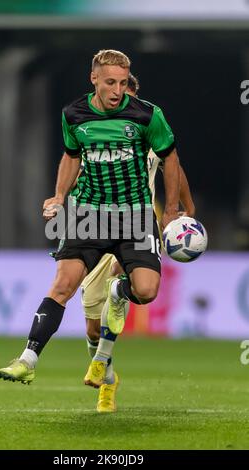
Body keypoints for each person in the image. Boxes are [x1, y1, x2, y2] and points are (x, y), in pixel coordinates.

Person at [0, 50, 181, 405]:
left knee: (146, 291)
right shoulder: (74, 114)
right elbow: (71, 156)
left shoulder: (146, 115)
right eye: (110, 82)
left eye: (123, 83)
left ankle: (119, 294)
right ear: (94, 79)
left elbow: (170, 157)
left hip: (134, 217)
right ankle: (28, 358)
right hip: (89, 215)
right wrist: (58, 196)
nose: (117, 91)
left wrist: (172, 210)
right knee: (63, 285)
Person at [80, 73, 195, 412]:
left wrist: (185, 209)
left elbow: (174, 167)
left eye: (125, 94)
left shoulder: (148, 129)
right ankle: (109, 377)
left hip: (137, 224)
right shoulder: (92, 132)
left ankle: (120, 290)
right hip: (96, 225)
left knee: (137, 284)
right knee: (90, 324)